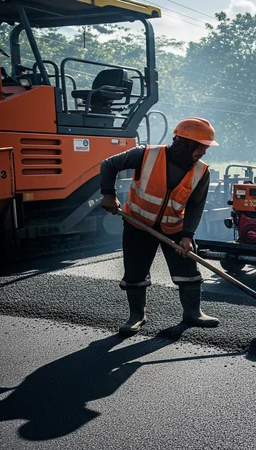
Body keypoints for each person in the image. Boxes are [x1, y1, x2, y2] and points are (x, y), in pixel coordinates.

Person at [100, 117, 220, 336]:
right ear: (186, 144)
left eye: (205, 148)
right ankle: (137, 316)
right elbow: (109, 165)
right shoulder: (145, 154)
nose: (204, 153)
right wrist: (108, 194)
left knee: (188, 270)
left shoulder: (201, 172)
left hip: (174, 228)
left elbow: (195, 206)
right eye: (201, 147)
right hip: (138, 224)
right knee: (135, 272)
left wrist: (187, 235)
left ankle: (193, 313)